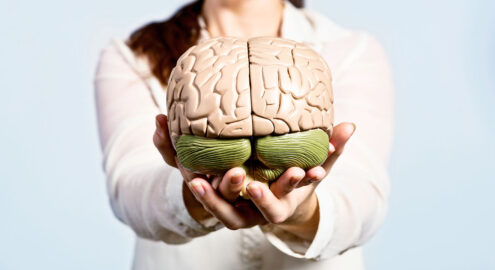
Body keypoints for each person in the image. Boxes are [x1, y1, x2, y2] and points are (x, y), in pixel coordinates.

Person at [94, 0, 394, 269]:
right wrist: (195, 195)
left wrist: (302, 213)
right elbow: (128, 189)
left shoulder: (350, 49)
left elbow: (363, 196)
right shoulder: (135, 54)